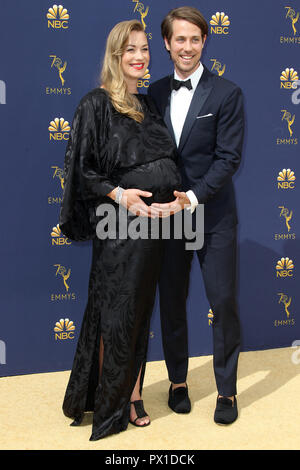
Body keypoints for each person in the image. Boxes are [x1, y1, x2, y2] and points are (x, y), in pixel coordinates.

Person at [59, 19, 181, 441]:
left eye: (145, 49)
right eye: (131, 49)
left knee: (139, 313)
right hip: (120, 231)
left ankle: (132, 394)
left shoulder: (149, 105)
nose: (140, 57)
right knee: (116, 315)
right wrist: (120, 194)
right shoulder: (96, 103)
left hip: (156, 232)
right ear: (115, 56)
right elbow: (81, 168)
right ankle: (110, 407)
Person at [148, 7, 244, 425]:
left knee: (222, 303)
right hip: (169, 216)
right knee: (171, 302)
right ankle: (177, 381)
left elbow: (228, 160)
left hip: (212, 213)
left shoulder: (227, 93)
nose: (187, 47)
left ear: (205, 42)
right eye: (179, 39)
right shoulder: (152, 93)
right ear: (166, 44)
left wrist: (191, 198)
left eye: (195, 39)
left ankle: (227, 390)